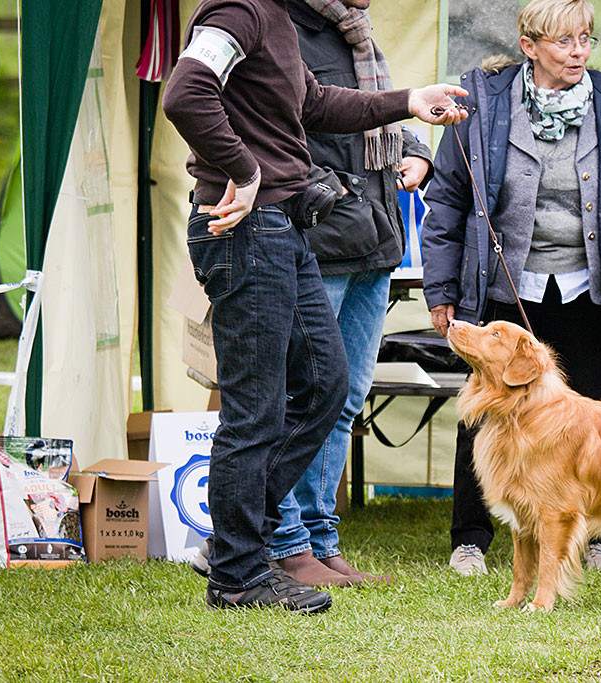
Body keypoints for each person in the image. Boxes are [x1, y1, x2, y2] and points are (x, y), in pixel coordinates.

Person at [162, 0, 467, 612]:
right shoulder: (238, 9)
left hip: (281, 228)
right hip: (245, 225)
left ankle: (231, 538)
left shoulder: (274, 19)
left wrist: (408, 101)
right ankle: (239, 573)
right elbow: (183, 93)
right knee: (257, 408)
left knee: (327, 385)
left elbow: (315, 104)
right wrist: (242, 170)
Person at [421, 0, 601, 576]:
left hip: (587, 284)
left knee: (596, 420)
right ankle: (470, 538)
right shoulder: (481, 107)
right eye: (563, 41)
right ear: (529, 46)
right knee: (485, 412)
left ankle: (597, 533)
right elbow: (448, 199)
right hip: (505, 285)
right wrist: (440, 288)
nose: (577, 52)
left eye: (585, 40)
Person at [265, 0, 434, 588]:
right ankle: (284, 544)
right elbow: (272, 130)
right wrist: (326, 194)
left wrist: (413, 150)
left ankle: (319, 538)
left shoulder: (350, 31)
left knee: (342, 398)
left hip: (376, 238)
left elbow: (365, 114)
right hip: (321, 238)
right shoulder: (280, 28)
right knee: (302, 396)